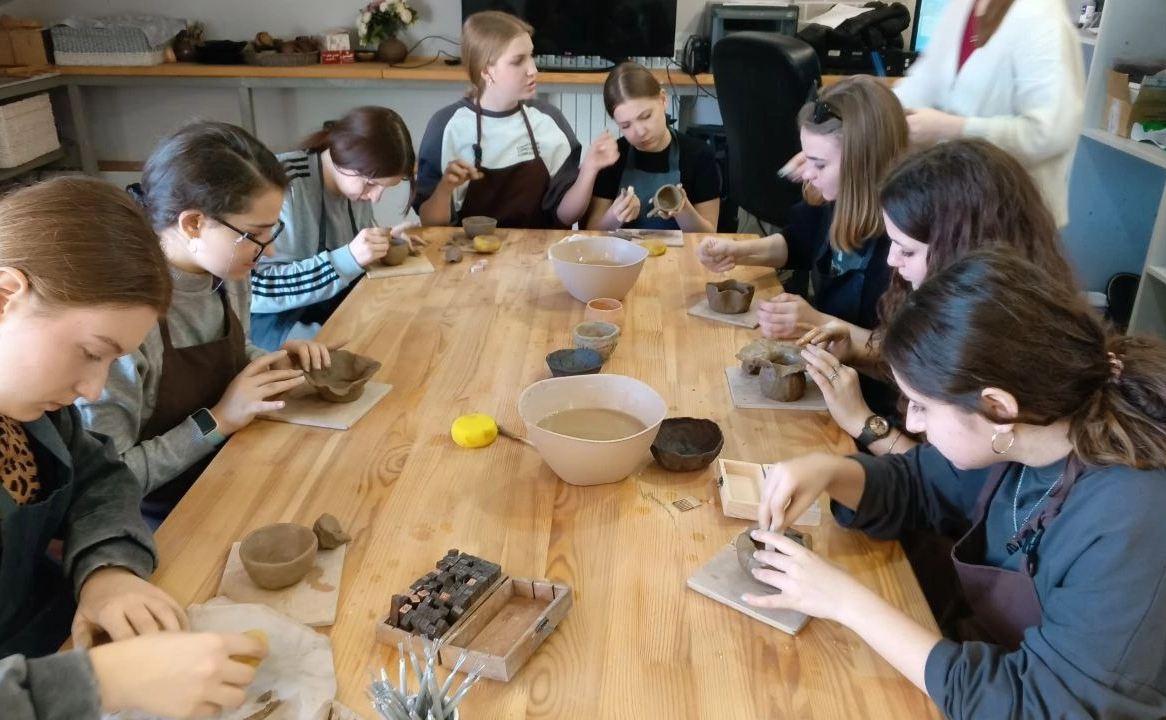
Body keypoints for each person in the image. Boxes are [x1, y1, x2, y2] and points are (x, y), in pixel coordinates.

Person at [746, 248, 1166, 718]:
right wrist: (829, 471)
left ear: (998, 407)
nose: (914, 423)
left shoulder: (1131, 523)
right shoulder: (1027, 433)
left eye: (923, 406)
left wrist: (847, 602)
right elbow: (919, 484)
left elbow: (1038, 707)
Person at [0, 177, 266, 720]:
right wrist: (95, 683)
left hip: (57, 635)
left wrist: (106, 572)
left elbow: (101, 478)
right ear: (6, 295)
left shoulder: (34, 412)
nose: (94, 390)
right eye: (90, 352)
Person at [76, 121, 329, 520]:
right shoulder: (123, 321)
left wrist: (267, 363)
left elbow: (229, 345)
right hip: (157, 510)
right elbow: (108, 481)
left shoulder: (227, 272)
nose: (271, 247)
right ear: (193, 223)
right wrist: (217, 421)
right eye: (256, 233)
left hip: (227, 464)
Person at [797, 139, 1076, 456]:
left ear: (958, 249)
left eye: (907, 249)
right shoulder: (959, 308)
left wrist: (862, 421)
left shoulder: (1003, 345)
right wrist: (860, 353)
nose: (891, 260)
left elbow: (946, 487)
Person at [783, 0, 1084, 227]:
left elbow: (1051, 133)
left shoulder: (1042, 20)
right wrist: (840, 137)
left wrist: (954, 129)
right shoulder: (964, 9)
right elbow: (922, 84)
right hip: (959, 198)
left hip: (1011, 213)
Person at [697, 76, 908, 338]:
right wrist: (737, 251)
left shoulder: (904, 242)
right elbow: (797, 244)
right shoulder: (832, 198)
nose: (807, 173)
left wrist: (817, 321)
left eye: (819, 164)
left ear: (861, 164)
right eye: (806, 159)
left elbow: (897, 356)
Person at [414, 10, 619, 229]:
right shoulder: (446, 127)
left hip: (537, 257)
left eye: (531, 55)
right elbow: (431, 225)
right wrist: (445, 188)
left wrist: (589, 169)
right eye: (517, 61)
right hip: (467, 258)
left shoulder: (549, 120)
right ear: (486, 71)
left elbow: (566, 216)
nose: (533, 69)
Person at [250, 106, 421, 350]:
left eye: (384, 188)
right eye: (371, 185)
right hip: (277, 319)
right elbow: (253, 290)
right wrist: (347, 259)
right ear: (345, 157)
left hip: (328, 302)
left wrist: (386, 238)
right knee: (370, 347)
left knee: (402, 326)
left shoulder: (354, 188)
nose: (375, 198)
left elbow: (346, 244)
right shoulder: (282, 185)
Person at [585, 61, 720, 233]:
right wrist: (615, 215)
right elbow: (591, 231)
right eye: (626, 125)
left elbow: (709, 235)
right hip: (623, 257)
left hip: (680, 258)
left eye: (646, 116)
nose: (640, 132)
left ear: (663, 100)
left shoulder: (698, 155)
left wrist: (683, 209)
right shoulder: (613, 158)